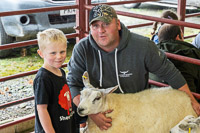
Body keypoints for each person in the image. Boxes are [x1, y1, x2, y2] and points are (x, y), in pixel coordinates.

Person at [67, 4, 200, 131]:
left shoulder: (142, 46)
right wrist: (91, 113)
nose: (101, 30)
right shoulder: (82, 49)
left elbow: (169, 72)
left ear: (118, 24)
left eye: (106, 24)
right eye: (95, 26)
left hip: (136, 112)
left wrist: (191, 100)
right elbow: (73, 83)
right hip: (101, 113)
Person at [33, 28, 78, 133]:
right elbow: (42, 109)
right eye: (53, 53)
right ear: (41, 53)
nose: (59, 56)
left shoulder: (61, 72)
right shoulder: (43, 78)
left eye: (62, 51)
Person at [152, 24, 200, 93]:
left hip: (156, 97)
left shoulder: (152, 53)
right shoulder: (192, 55)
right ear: (178, 37)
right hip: (188, 100)